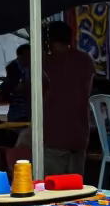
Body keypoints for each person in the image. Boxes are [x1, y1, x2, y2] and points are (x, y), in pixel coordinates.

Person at [38, 21, 95, 175]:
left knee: (53, 190)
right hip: (79, 134)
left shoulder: (46, 63)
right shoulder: (86, 61)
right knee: (75, 188)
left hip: (54, 135)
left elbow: (37, 93)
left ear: (49, 41)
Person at [2, 43, 31, 123]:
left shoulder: (32, 66)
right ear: (20, 56)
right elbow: (8, 89)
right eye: (28, 55)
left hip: (29, 111)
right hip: (18, 113)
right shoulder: (14, 66)